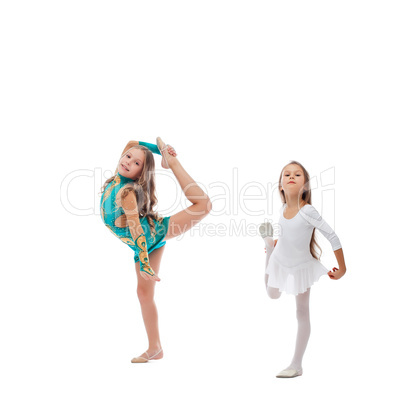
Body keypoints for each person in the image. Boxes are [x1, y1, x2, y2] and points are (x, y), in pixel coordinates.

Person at [100, 138, 212, 363]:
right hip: (141, 244)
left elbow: (136, 230)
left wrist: (144, 263)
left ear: (140, 174)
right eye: (128, 156)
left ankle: (174, 165)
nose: (128, 161)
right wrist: (158, 149)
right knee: (143, 294)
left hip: (153, 234)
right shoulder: (117, 174)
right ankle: (155, 347)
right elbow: (132, 142)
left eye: (136, 163)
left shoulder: (126, 194)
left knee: (203, 205)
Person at [259, 161, 346, 378]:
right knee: (272, 295)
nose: (291, 176)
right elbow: (290, 233)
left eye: (297, 175)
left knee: (302, 312)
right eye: (287, 174)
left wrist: (342, 268)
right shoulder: (283, 208)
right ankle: (269, 247)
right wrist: (279, 243)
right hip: (280, 259)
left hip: (301, 266)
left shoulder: (308, 211)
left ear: (305, 186)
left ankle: (296, 365)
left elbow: (332, 236)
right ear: (280, 185)